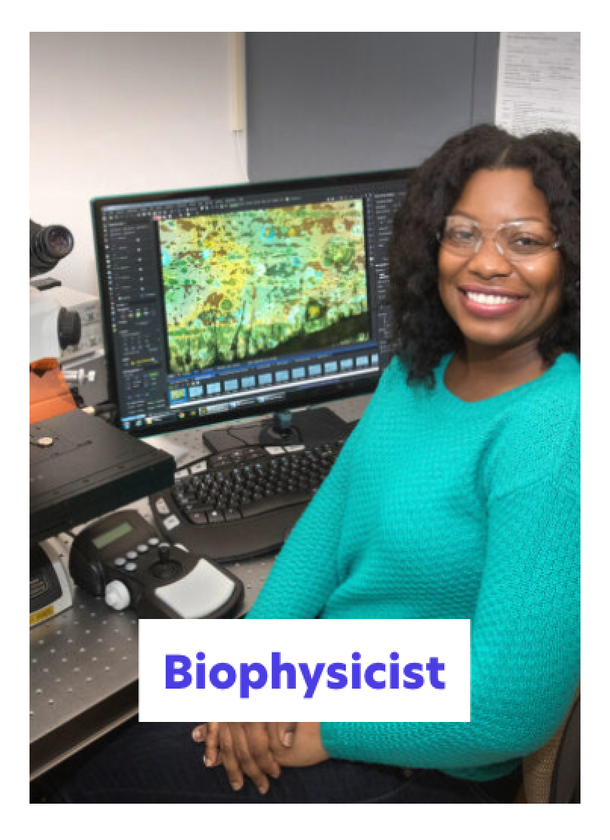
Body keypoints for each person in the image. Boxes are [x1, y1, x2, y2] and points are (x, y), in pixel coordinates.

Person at [50, 124, 580, 804]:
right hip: (338, 670)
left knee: (102, 785)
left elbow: (506, 711)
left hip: (422, 745)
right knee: (101, 735)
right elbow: (328, 529)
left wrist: (319, 732)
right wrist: (253, 672)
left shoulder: (558, 428)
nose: (486, 262)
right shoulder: (421, 369)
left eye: (526, 240)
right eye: (463, 233)